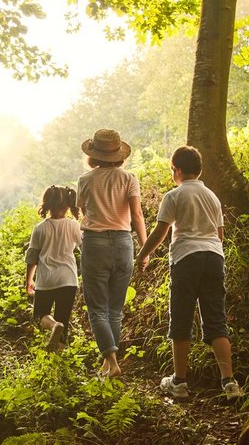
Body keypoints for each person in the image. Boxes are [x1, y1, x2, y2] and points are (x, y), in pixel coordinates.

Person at [136, 145, 242, 400]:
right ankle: (229, 383)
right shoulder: (212, 197)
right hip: (214, 258)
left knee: (181, 318)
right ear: (200, 170)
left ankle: (180, 382)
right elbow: (220, 235)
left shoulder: (174, 196)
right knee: (216, 320)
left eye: (172, 170)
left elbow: (161, 231)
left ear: (178, 170)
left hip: (186, 259)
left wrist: (142, 255)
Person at [77, 129, 147, 377]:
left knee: (97, 309)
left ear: (93, 155)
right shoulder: (129, 178)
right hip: (123, 243)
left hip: (95, 244)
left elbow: (83, 210)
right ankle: (109, 364)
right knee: (115, 309)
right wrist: (144, 249)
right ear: (119, 155)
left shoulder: (85, 180)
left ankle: (112, 361)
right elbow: (137, 215)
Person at [25, 185, 82, 351]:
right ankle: (58, 355)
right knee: (64, 317)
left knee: (40, 314)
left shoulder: (40, 228)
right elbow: (85, 248)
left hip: (46, 279)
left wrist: (29, 280)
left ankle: (53, 325)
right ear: (68, 206)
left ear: (47, 204)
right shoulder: (74, 226)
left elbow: (32, 257)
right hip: (68, 279)